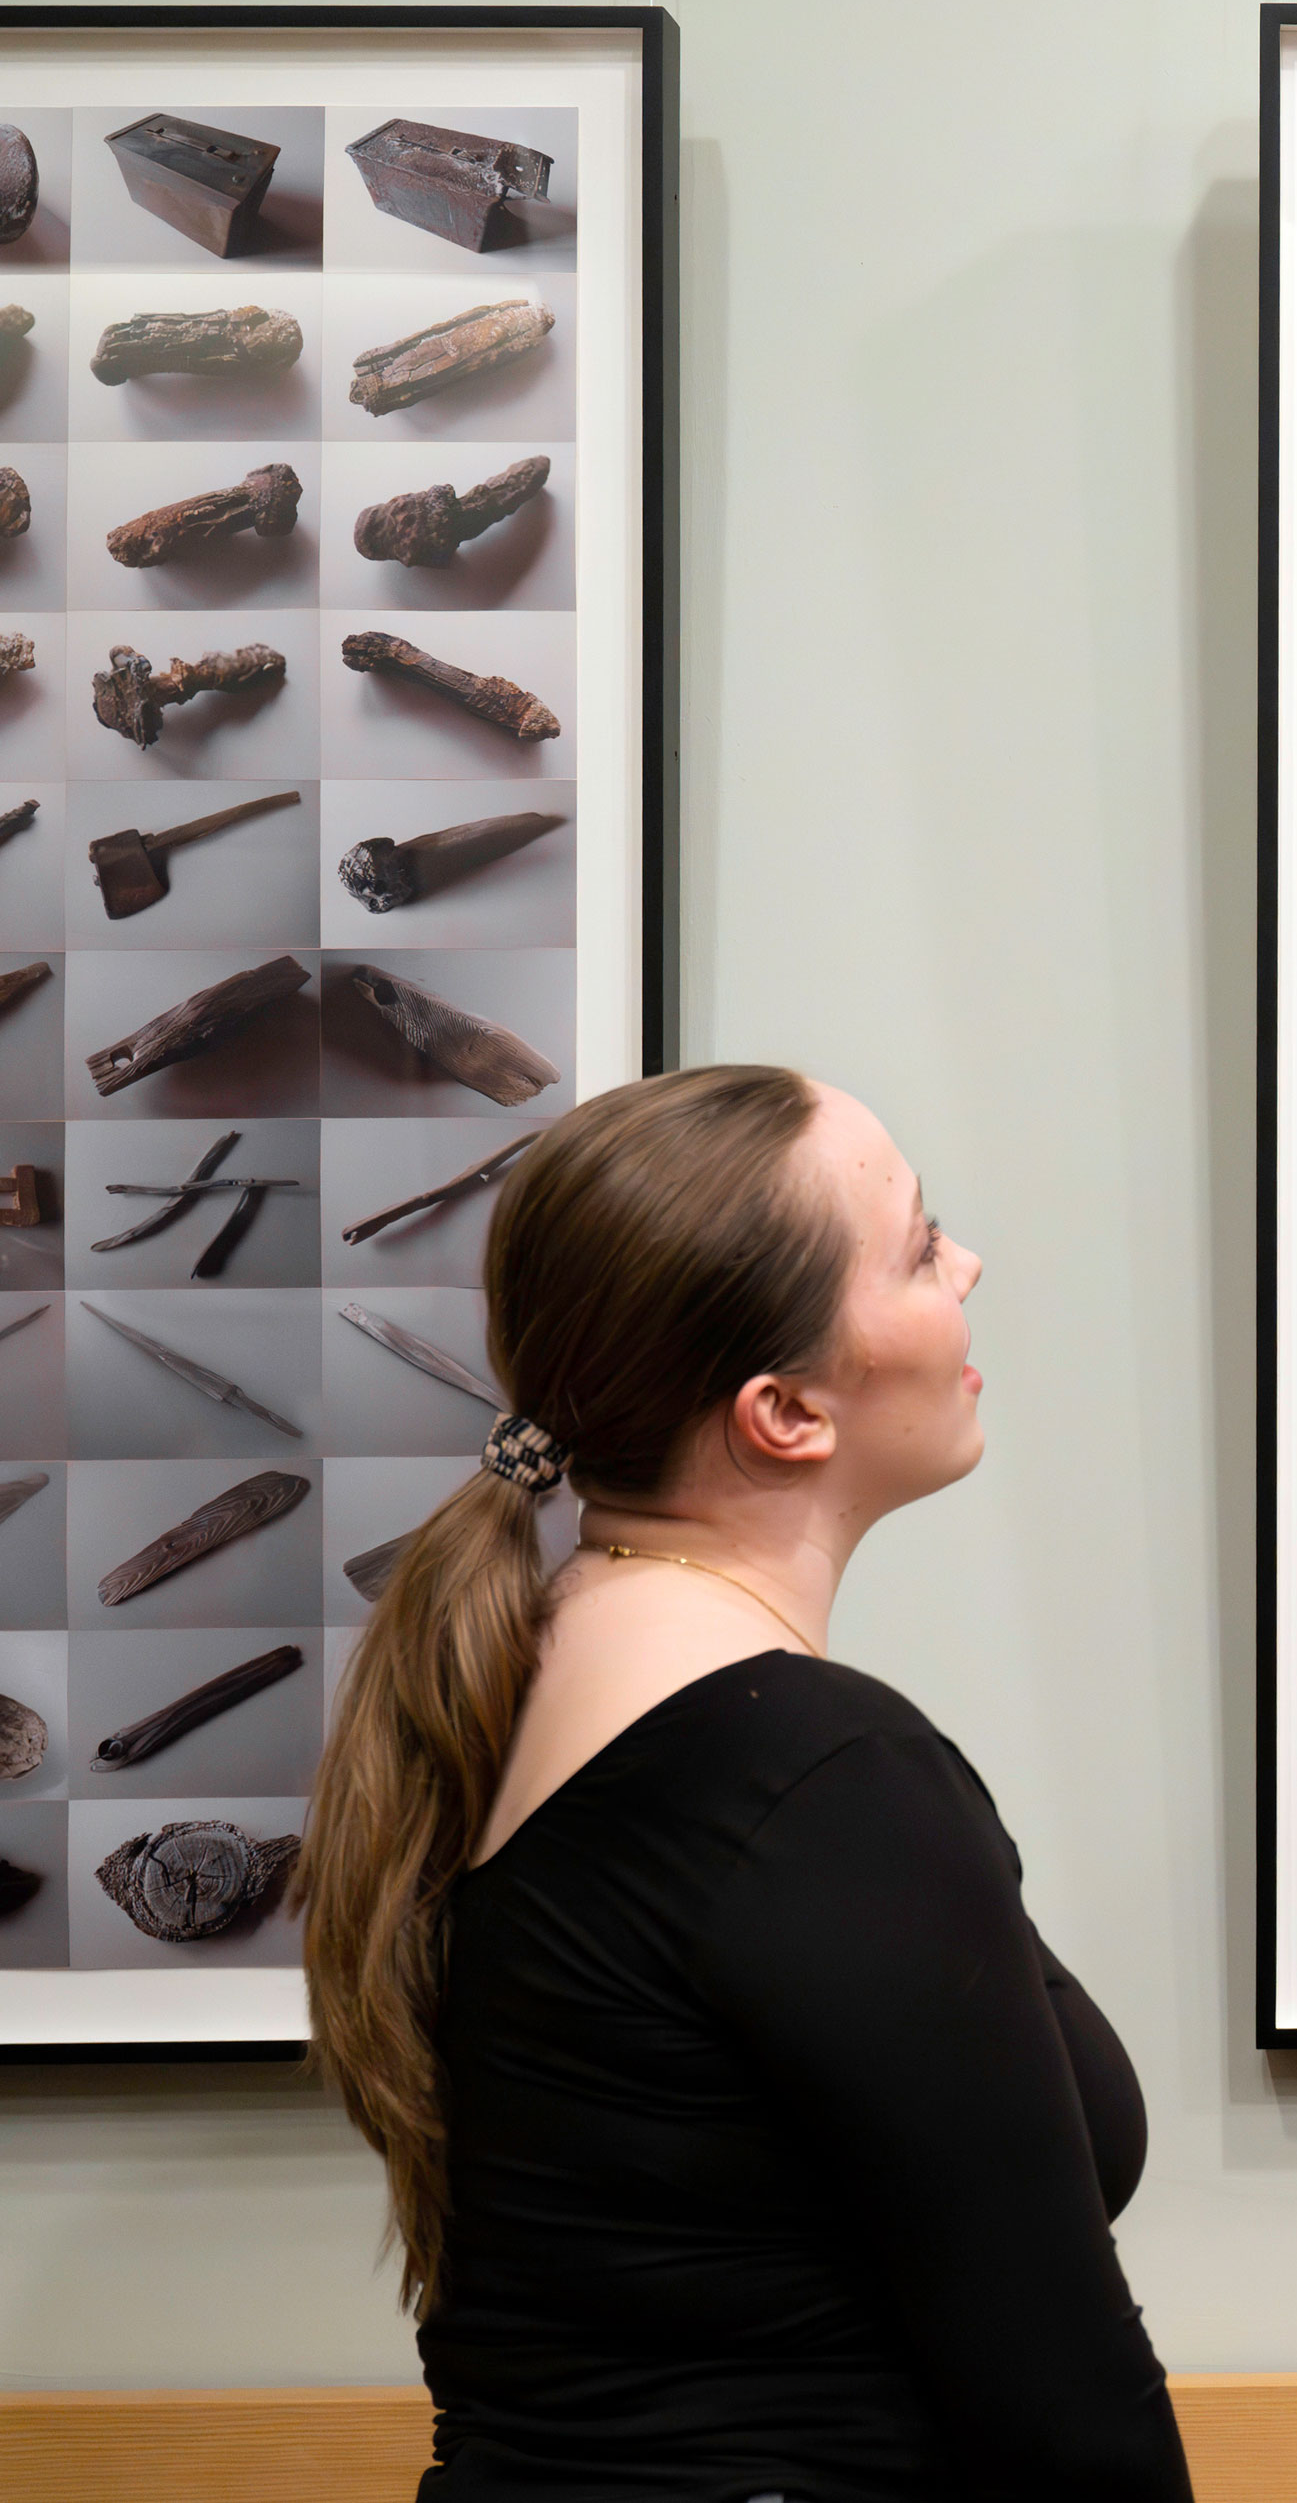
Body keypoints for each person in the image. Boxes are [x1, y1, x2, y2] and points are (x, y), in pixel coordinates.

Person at [295, 1066, 1193, 2502]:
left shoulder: (528, 1679)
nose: (969, 1265)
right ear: (785, 1413)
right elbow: (1072, 2424)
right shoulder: (818, 1776)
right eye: (920, 1244)